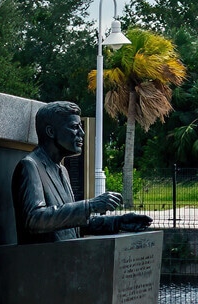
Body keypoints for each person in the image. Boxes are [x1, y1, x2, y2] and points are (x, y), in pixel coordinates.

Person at [12, 100, 153, 242]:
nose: (82, 132)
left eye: (80, 126)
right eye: (74, 127)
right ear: (51, 131)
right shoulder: (30, 166)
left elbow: (72, 224)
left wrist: (117, 222)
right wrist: (89, 206)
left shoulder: (62, 170)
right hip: (42, 260)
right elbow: (35, 219)